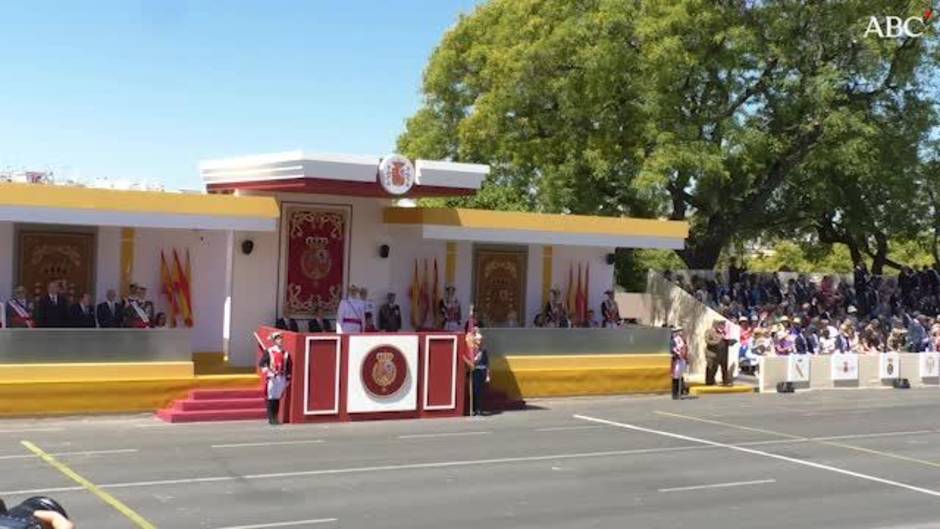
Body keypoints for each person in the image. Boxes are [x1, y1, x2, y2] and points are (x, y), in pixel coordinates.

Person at [258, 331, 291, 425]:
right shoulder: (269, 351)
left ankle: (275, 417)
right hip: (272, 378)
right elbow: (262, 364)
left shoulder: (286, 353)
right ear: (274, 340)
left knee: (277, 397)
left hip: (281, 377)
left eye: (281, 339)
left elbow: (288, 367)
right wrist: (269, 372)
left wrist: (288, 378)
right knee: (271, 397)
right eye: (278, 339)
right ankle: (271, 418)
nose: (280, 341)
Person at [464, 326, 489, 416]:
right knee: (473, 391)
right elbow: (467, 358)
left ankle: (479, 409)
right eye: (478, 340)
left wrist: (487, 375)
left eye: (480, 340)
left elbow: (486, 363)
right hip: (474, 371)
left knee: (480, 391)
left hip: (481, 372)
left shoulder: (483, 351)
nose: (480, 342)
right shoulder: (471, 350)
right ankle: (473, 408)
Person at [704, 320, 734, 386]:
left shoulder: (723, 333)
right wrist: (717, 342)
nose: (722, 326)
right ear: (715, 325)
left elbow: (725, 341)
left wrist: (730, 342)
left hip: (722, 354)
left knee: (723, 368)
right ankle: (709, 381)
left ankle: (725, 381)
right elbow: (707, 341)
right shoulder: (709, 331)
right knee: (711, 368)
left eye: (723, 325)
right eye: (720, 324)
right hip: (712, 354)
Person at [670, 325, 689, 400]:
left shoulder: (683, 340)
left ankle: (680, 392)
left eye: (681, 330)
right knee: (675, 376)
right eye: (678, 331)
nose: (680, 332)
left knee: (680, 375)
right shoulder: (673, 340)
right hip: (676, 359)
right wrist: (677, 354)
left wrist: (685, 357)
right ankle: (674, 393)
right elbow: (672, 349)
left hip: (682, 359)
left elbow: (685, 349)